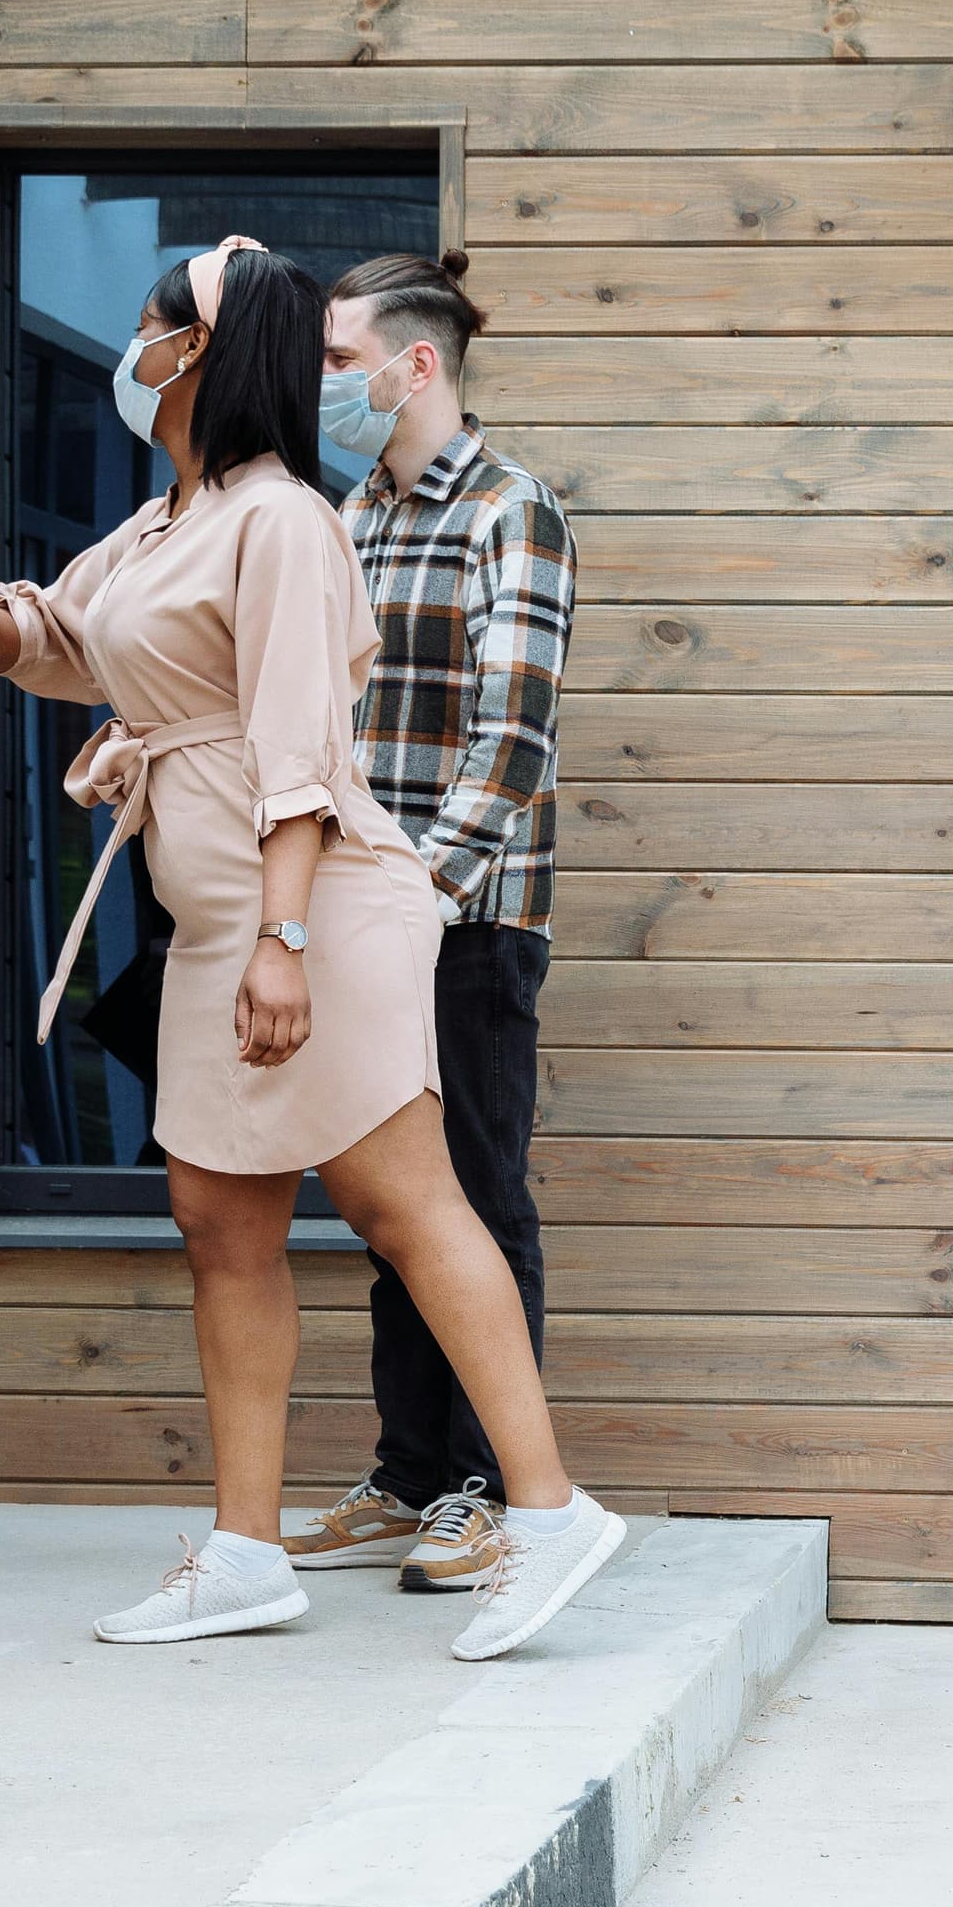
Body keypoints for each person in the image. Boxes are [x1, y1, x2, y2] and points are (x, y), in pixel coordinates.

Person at [0, 238, 625, 1659]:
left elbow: (302, 743)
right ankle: (245, 1552)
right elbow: (77, 637)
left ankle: (546, 1510)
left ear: (195, 352)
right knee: (218, 1222)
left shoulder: (285, 519)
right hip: (213, 923)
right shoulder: (165, 522)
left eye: (148, 328)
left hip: (309, 910)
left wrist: (284, 940)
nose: (129, 352)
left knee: (405, 1202)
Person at [283, 253, 576, 1599]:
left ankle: (490, 1489)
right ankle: (409, 1476)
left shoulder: (514, 510)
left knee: (478, 1198)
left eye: (339, 359)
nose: (323, 381)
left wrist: (413, 900)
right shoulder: (351, 514)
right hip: (362, 921)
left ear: (417, 365)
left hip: (466, 924)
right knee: (396, 1210)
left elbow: (511, 743)